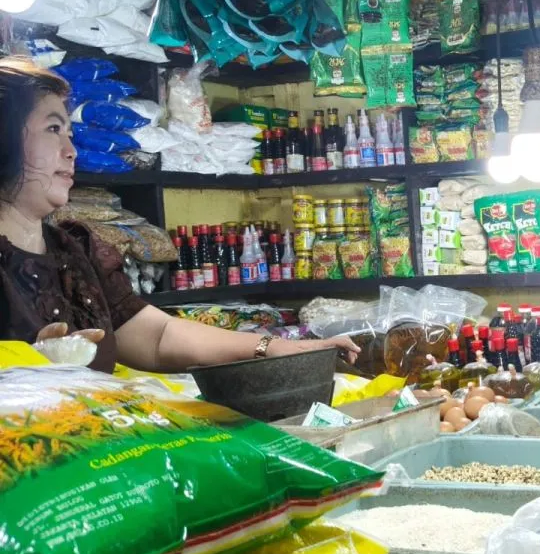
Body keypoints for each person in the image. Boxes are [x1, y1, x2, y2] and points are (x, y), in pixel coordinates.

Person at [0, 58, 359, 374]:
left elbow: (158, 336)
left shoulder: (73, 252)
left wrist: (274, 347)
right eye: (52, 130)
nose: (71, 150)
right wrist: (24, 369)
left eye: (70, 132)